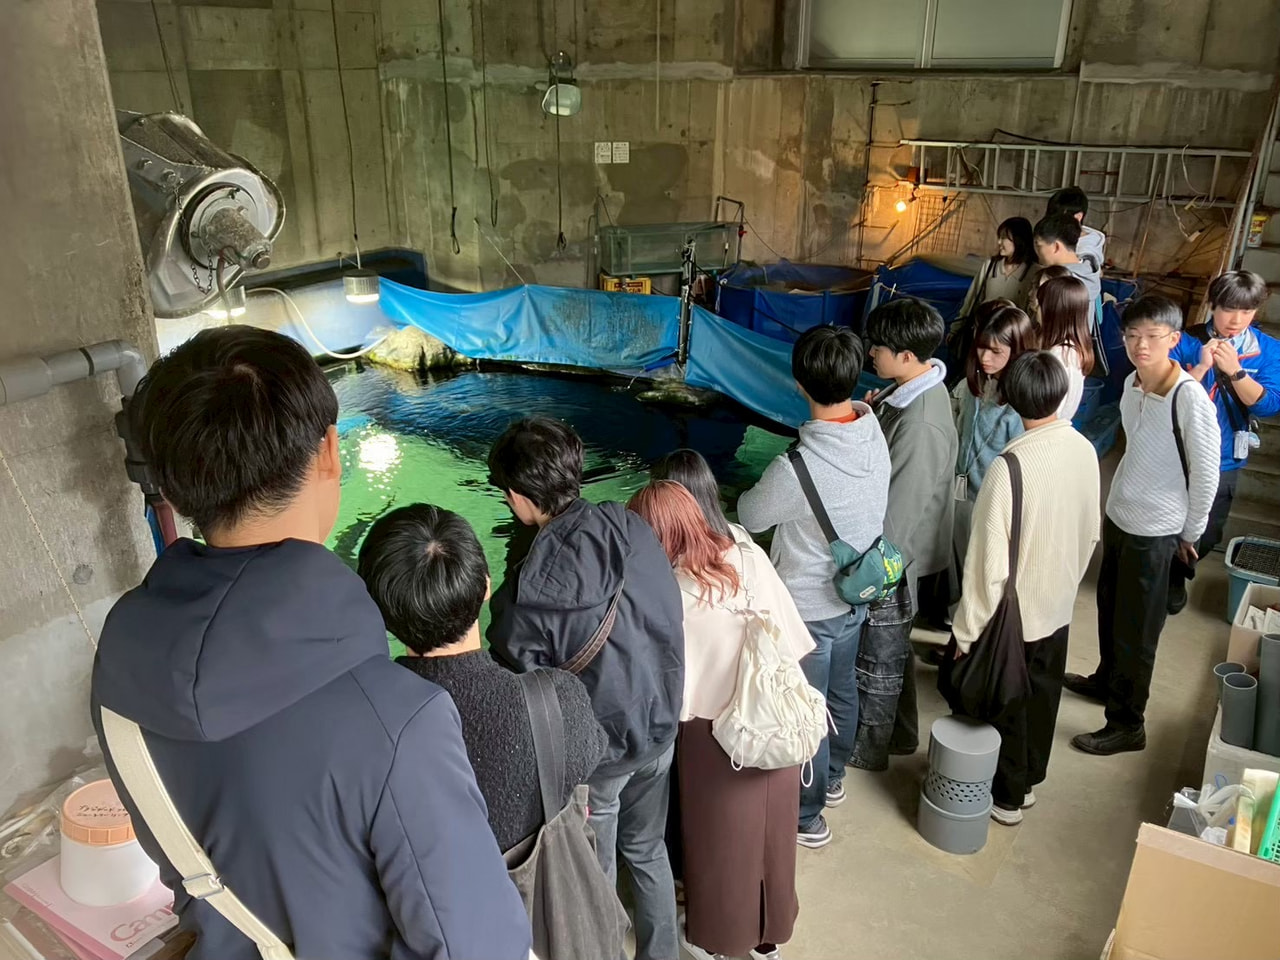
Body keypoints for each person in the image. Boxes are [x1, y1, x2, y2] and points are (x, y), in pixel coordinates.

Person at [91, 327, 531, 960]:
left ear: (177, 489)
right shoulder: (398, 721)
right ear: (328, 451)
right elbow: (480, 948)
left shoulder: (118, 669)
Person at [486, 416, 684, 960]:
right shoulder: (631, 527)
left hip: (601, 757)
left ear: (517, 497)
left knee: (595, 868)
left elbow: (514, 678)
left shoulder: (530, 590)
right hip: (662, 725)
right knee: (648, 848)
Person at [357, 503, 608, 854]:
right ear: (486, 586)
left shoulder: (364, 737)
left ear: (380, 612)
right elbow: (593, 751)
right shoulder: (558, 702)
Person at [630, 480, 811, 960]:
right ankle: (769, 936)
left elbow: (671, 685)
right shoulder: (747, 553)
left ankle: (717, 939)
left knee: (721, 844)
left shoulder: (673, 590)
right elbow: (794, 637)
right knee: (773, 840)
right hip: (780, 717)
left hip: (718, 735)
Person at [737, 324, 890, 849]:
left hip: (807, 609)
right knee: (841, 690)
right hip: (857, 593)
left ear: (799, 383)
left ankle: (807, 815)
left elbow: (750, 514)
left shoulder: (795, 468)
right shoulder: (872, 433)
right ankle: (836, 775)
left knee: (806, 706)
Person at [1065, 296, 1220, 755]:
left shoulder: (1189, 399)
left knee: (1137, 631)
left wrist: (1190, 533)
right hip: (1121, 517)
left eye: (1153, 336)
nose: (1141, 345)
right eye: (1132, 335)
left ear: (1175, 340)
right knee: (1110, 609)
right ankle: (1105, 680)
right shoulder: (1132, 383)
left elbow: (1206, 473)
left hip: (1157, 531)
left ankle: (1127, 723)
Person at [952, 351, 1100, 824]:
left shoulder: (1008, 467)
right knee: (1043, 696)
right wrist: (1067, 582)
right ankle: (1030, 781)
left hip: (1014, 615)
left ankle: (1008, 798)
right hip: (1059, 602)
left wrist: (966, 631)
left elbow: (986, 566)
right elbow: (1091, 531)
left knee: (1007, 704)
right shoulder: (1084, 449)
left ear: (1011, 399)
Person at [865, 297, 959, 755]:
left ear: (905, 355)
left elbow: (899, 516)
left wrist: (872, 573)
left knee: (890, 644)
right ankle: (897, 732)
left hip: (904, 552)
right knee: (892, 643)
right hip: (906, 542)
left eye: (877, 347)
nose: (871, 353)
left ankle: (895, 736)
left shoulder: (921, 424)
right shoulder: (908, 389)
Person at [1167, 270, 1280, 614]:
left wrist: (1236, 371)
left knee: (1209, 531)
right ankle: (1164, 581)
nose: (1236, 319)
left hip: (1225, 457)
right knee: (1167, 520)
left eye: (1247, 311)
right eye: (1229, 308)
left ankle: (1178, 573)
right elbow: (1165, 393)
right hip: (1177, 451)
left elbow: (1268, 405)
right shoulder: (1184, 341)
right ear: (1213, 305)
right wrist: (1201, 367)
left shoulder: (1268, 350)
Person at [952, 301, 1037, 570]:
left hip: (995, 502)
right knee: (959, 558)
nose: (985, 358)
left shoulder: (1021, 405)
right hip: (961, 492)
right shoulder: (972, 385)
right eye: (981, 347)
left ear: (1017, 351)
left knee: (983, 566)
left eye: (996, 351)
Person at [1035, 274, 1096, 421]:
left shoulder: (1059, 355)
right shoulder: (1071, 348)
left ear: (1054, 310)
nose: (1036, 309)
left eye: (1040, 304)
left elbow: (1050, 409)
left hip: (1047, 427)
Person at [957, 217, 1038, 318]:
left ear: (1018, 240)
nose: (999, 242)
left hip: (1012, 327)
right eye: (999, 237)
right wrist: (958, 324)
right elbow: (971, 300)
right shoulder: (990, 266)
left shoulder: (1034, 272)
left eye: (1003, 237)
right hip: (984, 325)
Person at [1033, 214, 1102, 315]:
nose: (1036, 251)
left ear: (1056, 247)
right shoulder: (1089, 271)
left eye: (1038, 246)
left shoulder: (1061, 284)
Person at [1045, 185, 1107, 268]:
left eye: (1059, 217)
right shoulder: (1055, 235)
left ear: (1078, 217)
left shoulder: (1087, 253)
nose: (1052, 221)